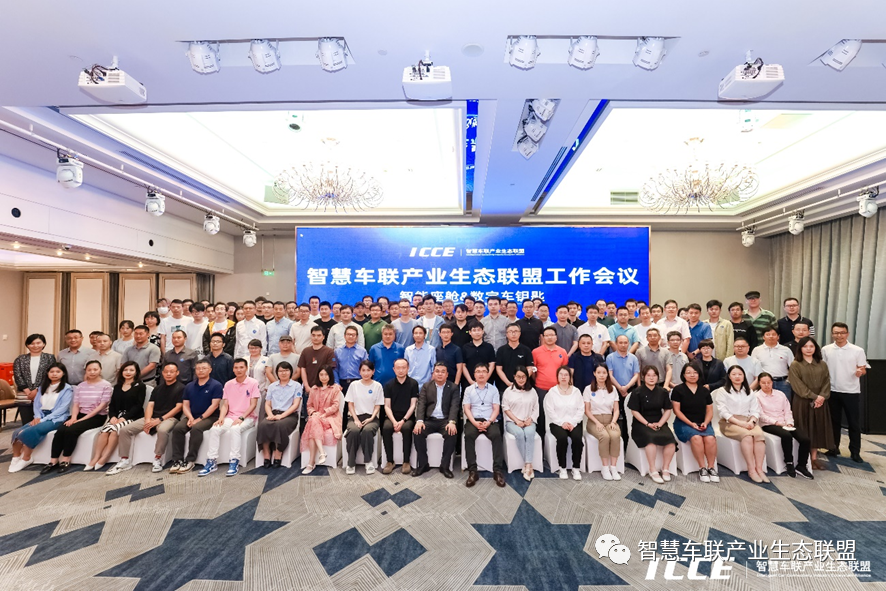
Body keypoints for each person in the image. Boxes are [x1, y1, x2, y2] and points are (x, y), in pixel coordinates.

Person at [108, 362, 184, 475]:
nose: (168, 374)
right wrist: (148, 420)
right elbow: (150, 405)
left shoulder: (181, 388)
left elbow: (178, 408)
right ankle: (125, 459)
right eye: (166, 372)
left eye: (172, 372)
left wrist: (160, 420)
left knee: (162, 430)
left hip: (169, 418)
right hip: (152, 417)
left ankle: (158, 458)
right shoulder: (157, 388)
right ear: (162, 373)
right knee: (125, 430)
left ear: (177, 373)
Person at [41, 360, 112, 474]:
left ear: (100, 370)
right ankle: (53, 461)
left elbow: (102, 406)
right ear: (85, 371)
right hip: (80, 414)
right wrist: (74, 418)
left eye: (95, 369)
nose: (92, 372)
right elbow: (76, 404)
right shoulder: (81, 386)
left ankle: (66, 459)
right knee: (60, 431)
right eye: (89, 370)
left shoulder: (106, 385)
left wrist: (80, 420)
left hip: (97, 416)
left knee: (71, 430)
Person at [198, 358, 261, 477]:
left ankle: (234, 460)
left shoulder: (253, 383)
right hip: (230, 416)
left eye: (241, 367)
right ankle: (211, 461)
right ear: (233, 369)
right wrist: (221, 418)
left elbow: (253, 405)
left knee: (235, 429)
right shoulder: (228, 384)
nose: (238, 370)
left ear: (246, 368)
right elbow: (225, 405)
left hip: (248, 417)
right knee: (215, 429)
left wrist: (241, 418)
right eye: (236, 367)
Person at [9, 363, 73, 473]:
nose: (54, 374)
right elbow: (37, 404)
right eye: (52, 372)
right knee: (16, 432)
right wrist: (38, 417)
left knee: (30, 431)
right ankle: (15, 457)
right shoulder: (42, 387)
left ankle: (26, 458)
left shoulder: (67, 388)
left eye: (58, 372)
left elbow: (62, 409)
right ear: (47, 373)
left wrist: (42, 420)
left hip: (56, 418)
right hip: (42, 415)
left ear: (63, 374)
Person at [821, 322, 868, 463]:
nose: (839, 335)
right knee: (834, 422)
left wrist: (860, 371)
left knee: (854, 423)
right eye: (836, 333)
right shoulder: (826, 349)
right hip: (832, 390)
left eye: (842, 333)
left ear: (847, 334)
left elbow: (863, 368)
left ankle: (855, 452)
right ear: (832, 334)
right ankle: (833, 448)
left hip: (851, 391)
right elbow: (823, 368)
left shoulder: (857, 350)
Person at [87, 361, 146, 471]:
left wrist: (124, 418)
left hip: (133, 417)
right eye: (125, 370)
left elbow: (138, 405)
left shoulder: (140, 386)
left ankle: (105, 457)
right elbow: (112, 404)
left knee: (114, 431)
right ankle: (95, 457)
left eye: (131, 370)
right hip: (117, 417)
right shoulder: (117, 386)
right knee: (105, 431)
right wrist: (113, 417)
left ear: (136, 372)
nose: (128, 372)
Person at [714, 365, 768, 483]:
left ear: (744, 376)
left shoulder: (749, 391)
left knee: (759, 436)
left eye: (740, 374)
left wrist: (752, 421)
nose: (737, 377)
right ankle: (751, 470)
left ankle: (759, 469)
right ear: (729, 376)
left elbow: (755, 410)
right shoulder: (722, 391)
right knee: (747, 436)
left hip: (748, 421)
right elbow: (723, 412)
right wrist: (740, 423)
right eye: (734, 374)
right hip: (729, 423)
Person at [168, 360, 222, 474]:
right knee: (178, 428)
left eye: (204, 368)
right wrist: (191, 418)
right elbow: (185, 405)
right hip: (192, 416)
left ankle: (190, 460)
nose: (200, 371)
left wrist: (199, 419)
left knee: (196, 428)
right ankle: (177, 459)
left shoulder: (216, 385)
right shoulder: (189, 386)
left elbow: (214, 406)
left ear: (210, 370)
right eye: (198, 368)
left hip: (210, 417)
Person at [756, 372, 813, 479]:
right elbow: (761, 415)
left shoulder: (780, 394)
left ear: (772, 382)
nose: (767, 385)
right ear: (759, 383)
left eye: (769, 382)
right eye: (763, 383)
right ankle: (789, 462)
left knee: (805, 439)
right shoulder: (757, 397)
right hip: (769, 424)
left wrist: (789, 422)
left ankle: (801, 465)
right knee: (786, 435)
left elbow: (787, 410)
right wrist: (776, 422)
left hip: (785, 423)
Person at [788, 336, 834, 470]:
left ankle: (814, 458)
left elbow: (827, 382)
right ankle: (804, 458)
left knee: (817, 429)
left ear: (815, 348)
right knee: (804, 429)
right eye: (805, 346)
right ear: (800, 348)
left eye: (811, 346)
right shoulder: (795, 364)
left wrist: (822, 397)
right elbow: (798, 386)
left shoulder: (822, 364)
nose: (808, 349)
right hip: (802, 402)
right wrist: (814, 396)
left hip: (820, 402)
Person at [628, 366, 677, 484]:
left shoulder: (663, 392)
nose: (651, 378)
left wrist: (660, 423)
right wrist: (647, 423)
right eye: (648, 375)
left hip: (658, 421)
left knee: (671, 441)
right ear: (643, 377)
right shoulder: (637, 392)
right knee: (650, 440)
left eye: (654, 375)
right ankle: (652, 469)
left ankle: (665, 468)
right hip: (641, 423)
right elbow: (634, 411)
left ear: (658, 377)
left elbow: (668, 410)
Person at [670, 364, 718, 483]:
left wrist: (706, 422)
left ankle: (711, 467)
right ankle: (702, 468)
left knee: (710, 438)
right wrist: (691, 424)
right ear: (684, 375)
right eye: (689, 372)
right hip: (684, 423)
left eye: (695, 372)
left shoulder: (704, 390)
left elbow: (709, 411)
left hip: (703, 423)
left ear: (699, 374)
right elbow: (677, 411)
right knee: (696, 437)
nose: (692, 375)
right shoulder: (678, 390)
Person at [412, 363, 459, 478]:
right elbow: (421, 404)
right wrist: (419, 421)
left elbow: (454, 406)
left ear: (447, 374)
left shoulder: (453, 387)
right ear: (433, 373)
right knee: (418, 432)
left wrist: (452, 422)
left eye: (443, 372)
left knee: (451, 433)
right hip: (430, 420)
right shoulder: (427, 386)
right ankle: (423, 464)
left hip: (445, 420)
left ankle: (445, 466)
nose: (440, 374)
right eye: (437, 371)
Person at [462, 363, 506, 487]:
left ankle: (497, 471)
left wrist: (489, 421)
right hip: (474, 420)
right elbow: (466, 409)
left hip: (489, 419)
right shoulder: (469, 390)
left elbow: (496, 409)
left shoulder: (493, 389)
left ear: (488, 374)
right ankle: (472, 471)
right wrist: (475, 422)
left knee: (496, 435)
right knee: (469, 435)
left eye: (483, 371)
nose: (481, 374)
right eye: (478, 371)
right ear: (474, 374)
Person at [257, 361, 303, 468]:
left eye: (286, 370)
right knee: (263, 425)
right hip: (273, 413)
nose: (283, 373)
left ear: (290, 372)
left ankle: (278, 453)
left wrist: (282, 416)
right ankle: (267, 454)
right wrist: (270, 415)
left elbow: (295, 405)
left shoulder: (296, 386)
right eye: (281, 371)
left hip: (289, 415)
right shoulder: (272, 386)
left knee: (279, 425)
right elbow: (267, 404)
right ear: (277, 373)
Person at [544, 366, 585, 480]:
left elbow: (581, 409)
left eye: (566, 375)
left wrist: (572, 422)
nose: (563, 377)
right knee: (562, 439)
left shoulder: (576, 391)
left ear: (570, 377)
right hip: (557, 423)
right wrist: (561, 422)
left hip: (574, 422)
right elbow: (550, 411)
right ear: (557, 376)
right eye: (561, 374)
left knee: (577, 439)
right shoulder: (552, 392)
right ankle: (562, 467)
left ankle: (576, 468)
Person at [300, 366, 343, 474]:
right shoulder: (314, 389)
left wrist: (323, 413)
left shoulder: (335, 388)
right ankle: (321, 452)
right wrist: (314, 413)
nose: (323, 377)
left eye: (326, 374)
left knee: (312, 422)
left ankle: (311, 463)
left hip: (330, 417)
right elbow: (309, 405)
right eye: (321, 375)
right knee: (313, 421)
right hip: (317, 417)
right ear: (318, 376)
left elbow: (335, 406)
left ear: (330, 375)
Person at [344, 360, 384, 475]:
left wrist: (371, 418)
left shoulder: (377, 386)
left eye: (368, 370)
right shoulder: (354, 385)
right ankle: (351, 463)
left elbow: (378, 406)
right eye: (363, 370)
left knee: (367, 431)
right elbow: (350, 404)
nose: (366, 373)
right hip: (355, 416)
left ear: (373, 371)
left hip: (371, 418)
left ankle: (368, 462)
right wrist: (356, 419)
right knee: (353, 431)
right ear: (359, 372)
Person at [583, 364, 622, 481]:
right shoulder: (588, 389)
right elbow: (587, 411)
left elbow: (616, 410)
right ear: (594, 373)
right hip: (594, 421)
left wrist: (613, 422)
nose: (601, 375)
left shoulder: (613, 389)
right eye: (599, 372)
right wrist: (597, 422)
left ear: (607, 374)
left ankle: (613, 468)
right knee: (604, 436)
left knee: (615, 436)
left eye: (604, 373)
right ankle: (605, 468)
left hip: (610, 420)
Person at [381, 358, 419, 475]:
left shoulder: (413, 383)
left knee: (407, 429)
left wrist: (402, 421)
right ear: (394, 369)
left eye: (403, 367)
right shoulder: (388, 385)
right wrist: (394, 421)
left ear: (408, 368)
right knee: (386, 428)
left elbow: (413, 405)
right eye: (398, 368)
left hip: (407, 417)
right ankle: (390, 461)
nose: (401, 370)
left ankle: (406, 461)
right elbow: (387, 406)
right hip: (392, 416)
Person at [502, 366, 539, 482]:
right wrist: (516, 420)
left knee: (529, 433)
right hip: (512, 422)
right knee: (519, 434)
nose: (521, 379)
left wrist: (530, 419)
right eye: (518, 377)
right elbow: (506, 408)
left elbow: (536, 408)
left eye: (523, 377)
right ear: (514, 377)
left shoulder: (532, 391)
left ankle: (527, 465)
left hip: (528, 421)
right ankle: (529, 465)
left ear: (527, 377)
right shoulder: (508, 391)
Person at [13, 333, 56, 425]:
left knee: (41, 420)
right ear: (27, 345)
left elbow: (50, 374)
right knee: (26, 421)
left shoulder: (49, 358)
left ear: (44, 344)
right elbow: (18, 375)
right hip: (24, 394)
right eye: (32, 343)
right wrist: (27, 391)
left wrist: (37, 390)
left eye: (38, 343)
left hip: (43, 392)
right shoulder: (20, 359)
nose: (35, 346)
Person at [606, 335, 639, 448]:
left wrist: (626, 387)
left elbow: (636, 375)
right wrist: (620, 387)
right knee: (613, 416)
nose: (623, 345)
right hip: (614, 390)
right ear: (616, 343)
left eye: (625, 342)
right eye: (620, 342)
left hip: (630, 390)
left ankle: (627, 445)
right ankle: (613, 443)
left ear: (628, 343)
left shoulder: (633, 358)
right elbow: (609, 375)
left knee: (628, 417)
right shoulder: (610, 357)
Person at [751, 326, 794, 400]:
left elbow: (793, 367)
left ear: (778, 337)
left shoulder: (786, 350)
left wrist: (788, 381)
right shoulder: (757, 350)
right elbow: (753, 368)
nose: (771, 336)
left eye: (774, 334)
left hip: (783, 383)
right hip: (764, 383)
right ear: (763, 337)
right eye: (768, 334)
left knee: (784, 404)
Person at [495, 323, 535, 389]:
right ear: (506, 334)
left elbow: (530, 368)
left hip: (522, 386)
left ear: (520, 333)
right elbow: (499, 369)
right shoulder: (501, 350)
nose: (513, 334)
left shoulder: (526, 350)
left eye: (516, 331)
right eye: (511, 331)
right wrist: (508, 383)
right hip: (504, 386)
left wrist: (520, 381)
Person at [532, 326, 568, 396]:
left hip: (558, 388)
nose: (549, 337)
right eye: (547, 336)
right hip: (541, 388)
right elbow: (533, 371)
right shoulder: (535, 352)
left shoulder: (562, 352)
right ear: (543, 338)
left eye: (552, 335)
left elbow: (565, 370)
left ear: (556, 337)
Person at [462, 323, 496, 391]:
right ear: (470, 332)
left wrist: (485, 379)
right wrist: (470, 380)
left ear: (483, 331)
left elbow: (492, 364)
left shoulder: (489, 347)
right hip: (469, 383)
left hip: (487, 382)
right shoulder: (465, 347)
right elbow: (463, 365)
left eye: (479, 330)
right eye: (474, 330)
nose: (477, 332)